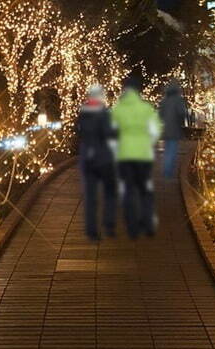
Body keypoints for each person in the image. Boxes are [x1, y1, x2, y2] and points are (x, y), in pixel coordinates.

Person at [111, 74, 162, 238]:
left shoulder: (118, 109)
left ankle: (132, 226)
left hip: (124, 155)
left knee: (128, 190)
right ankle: (148, 223)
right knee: (145, 189)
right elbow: (156, 131)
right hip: (143, 154)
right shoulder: (146, 108)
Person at [76, 84, 118, 241]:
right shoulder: (106, 114)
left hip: (88, 158)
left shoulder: (82, 114)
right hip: (105, 158)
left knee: (90, 195)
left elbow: (78, 133)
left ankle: (91, 229)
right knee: (109, 193)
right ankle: (109, 225)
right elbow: (111, 133)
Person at [158, 80, 189, 178]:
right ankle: (169, 172)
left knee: (167, 150)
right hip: (175, 129)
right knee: (172, 150)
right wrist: (182, 121)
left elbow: (160, 115)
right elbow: (181, 113)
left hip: (166, 129)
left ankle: (166, 171)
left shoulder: (164, 101)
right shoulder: (178, 100)